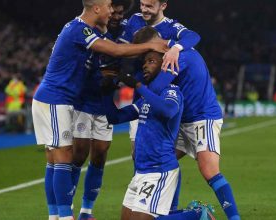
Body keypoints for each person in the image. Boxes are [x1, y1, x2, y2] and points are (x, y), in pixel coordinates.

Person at [31, 0, 170, 219]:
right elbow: (114, 50)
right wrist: (150, 45)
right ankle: (64, 216)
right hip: (55, 98)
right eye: (108, 7)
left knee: (58, 158)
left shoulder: (86, 30)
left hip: (62, 100)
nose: (111, 11)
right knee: (64, 156)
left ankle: (61, 215)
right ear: (96, 8)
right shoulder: (80, 29)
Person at [135, 27, 241, 220]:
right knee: (165, 160)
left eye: (147, 52)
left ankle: (234, 218)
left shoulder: (176, 57)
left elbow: (157, 87)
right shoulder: (175, 50)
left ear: (155, 43)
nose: (145, 58)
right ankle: (171, 211)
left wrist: (136, 87)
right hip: (183, 120)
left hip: (202, 117)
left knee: (209, 170)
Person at [103, 50, 214, 220]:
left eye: (151, 61)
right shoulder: (145, 99)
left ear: (163, 66)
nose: (145, 65)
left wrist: (139, 86)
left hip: (159, 169)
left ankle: (198, 215)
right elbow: (114, 117)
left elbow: (169, 110)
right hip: (141, 171)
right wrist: (108, 90)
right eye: (144, 63)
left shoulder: (172, 91)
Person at [119, 1, 201, 210]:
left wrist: (175, 48)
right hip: (140, 97)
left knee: (163, 155)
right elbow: (119, 45)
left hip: (160, 95)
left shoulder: (171, 27)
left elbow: (194, 36)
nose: (144, 9)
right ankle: (147, 203)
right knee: (138, 155)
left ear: (163, 5)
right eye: (142, 4)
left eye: (149, 5)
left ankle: (170, 207)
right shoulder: (133, 22)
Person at [70, 1, 134, 219]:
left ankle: (86, 212)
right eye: (113, 10)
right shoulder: (92, 27)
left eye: (120, 11)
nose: (116, 15)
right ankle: (65, 207)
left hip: (105, 100)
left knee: (100, 154)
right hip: (84, 99)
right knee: (79, 154)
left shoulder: (127, 29)